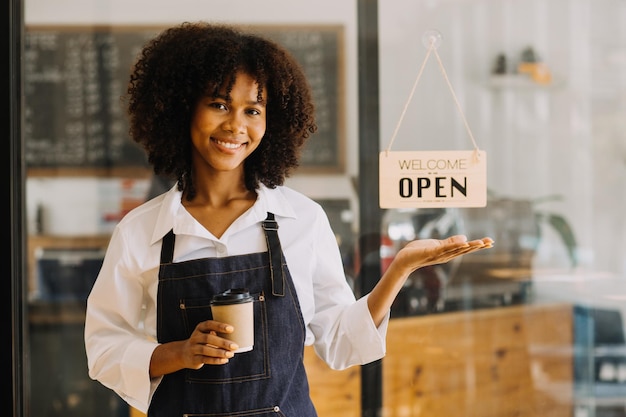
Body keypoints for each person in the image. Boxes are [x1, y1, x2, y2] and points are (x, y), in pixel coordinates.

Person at [84, 21, 493, 417]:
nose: (236, 125)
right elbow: (103, 346)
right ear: (181, 109)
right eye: (219, 104)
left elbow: (339, 341)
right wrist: (175, 354)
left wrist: (401, 268)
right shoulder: (141, 231)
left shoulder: (302, 221)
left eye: (253, 110)